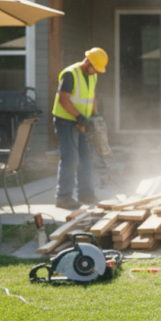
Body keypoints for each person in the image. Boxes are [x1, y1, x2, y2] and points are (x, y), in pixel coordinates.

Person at [52, 47, 107, 209]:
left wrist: (95, 117)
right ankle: (63, 197)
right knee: (70, 158)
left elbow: (92, 96)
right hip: (65, 121)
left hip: (83, 120)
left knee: (86, 158)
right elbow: (63, 99)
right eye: (94, 68)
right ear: (87, 62)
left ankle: (86, 194)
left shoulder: (92, 75)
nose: (95, 72)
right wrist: (79, 118)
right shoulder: (70, 74)